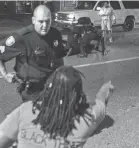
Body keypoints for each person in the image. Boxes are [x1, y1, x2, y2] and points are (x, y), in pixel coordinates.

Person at [0, 65, 114, 148]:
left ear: (48, 88)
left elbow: (2, 141)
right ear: (78, 93)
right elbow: (101, 101)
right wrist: (106, 87)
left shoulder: (28, 109)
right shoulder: (87, 119)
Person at [0, 5, 66, 101]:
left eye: (48, 21)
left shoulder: (55, 34)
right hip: (32, 91)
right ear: (33, 20)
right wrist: (5, 75)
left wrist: (62, 76)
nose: (45, 25)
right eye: (41, 21)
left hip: (52, 87)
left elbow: (59, 57)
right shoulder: (23, 37)